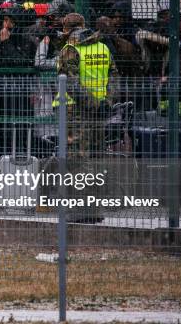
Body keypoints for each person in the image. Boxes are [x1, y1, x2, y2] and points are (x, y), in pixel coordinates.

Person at [53, 13, 118, 223]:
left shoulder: (70, 49)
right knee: (97, 157)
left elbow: (69, 83)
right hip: (99, 111)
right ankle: (94, 208)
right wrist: (105, 103)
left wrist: (91, 104)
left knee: (77, 158)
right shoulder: (103, 48)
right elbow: (114, 78)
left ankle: (82, 208)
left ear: (67, 28)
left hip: (74, 110)